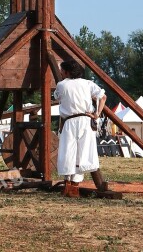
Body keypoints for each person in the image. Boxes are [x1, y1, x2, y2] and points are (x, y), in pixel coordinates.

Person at [54, 59, 107, 198]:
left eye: (62, 71)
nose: (61, 73)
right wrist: (97, 114)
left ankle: (68, 185)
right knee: (82, 153)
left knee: (68, 152)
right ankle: (75, 187)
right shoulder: (88, 83)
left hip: (70, 121)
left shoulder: (61, 85)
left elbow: (58, 98)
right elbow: (103, 97)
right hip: (86, 120)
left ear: (66, 72)